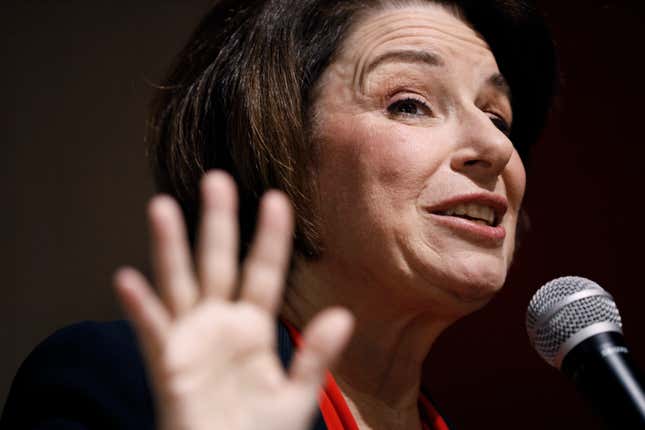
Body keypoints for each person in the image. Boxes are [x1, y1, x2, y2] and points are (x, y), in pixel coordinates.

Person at [1, 0, 557, 428]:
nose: (496, 148)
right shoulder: (119, 385)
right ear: (279, 149)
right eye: (409, 102)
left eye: (498, 117)